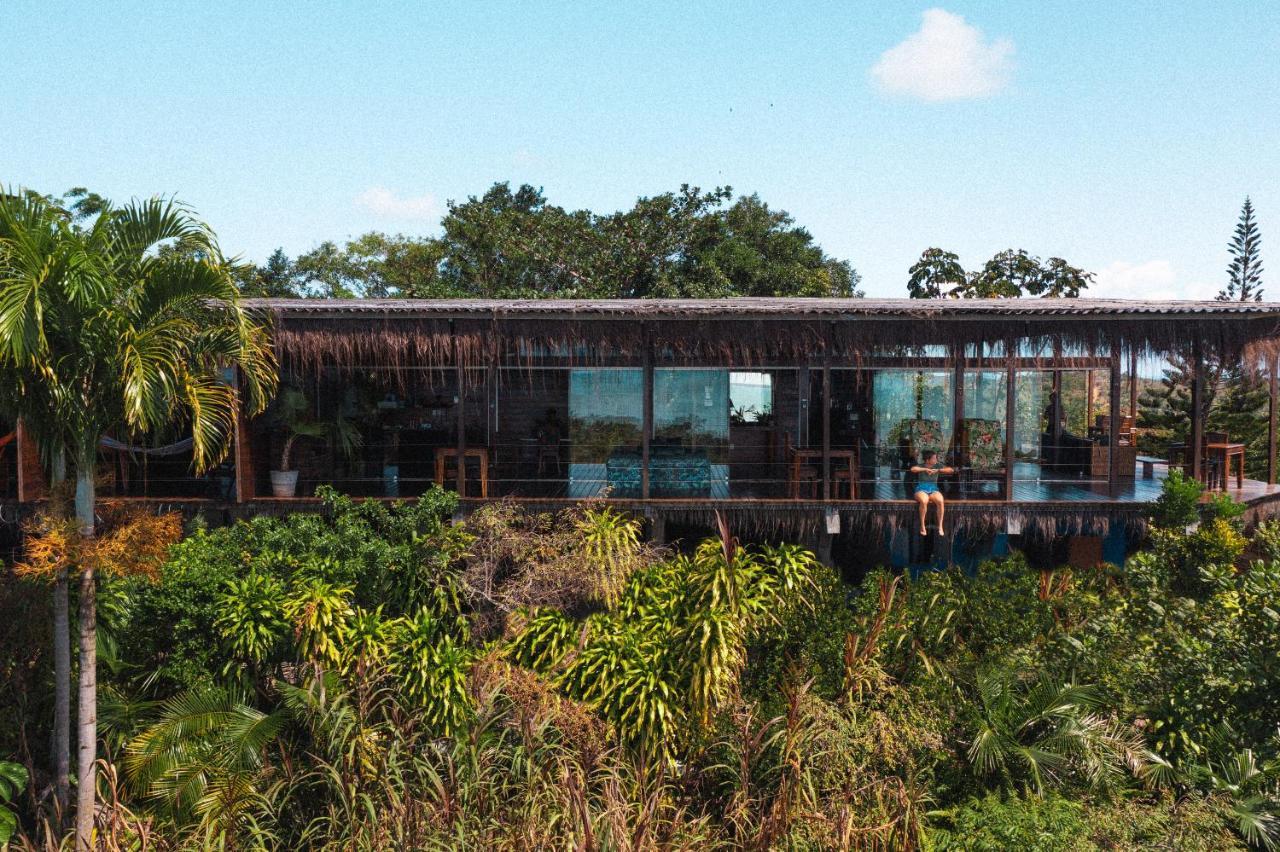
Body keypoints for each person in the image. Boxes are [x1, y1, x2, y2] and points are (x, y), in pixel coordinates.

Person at [911, 450, 954, 536]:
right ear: (927, 460)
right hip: (921, 489)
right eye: (934, 458)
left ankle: (940, 526)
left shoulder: (937, 465)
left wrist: (938, 470)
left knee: (940, 501)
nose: (936, 460)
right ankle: (922, 526)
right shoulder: (921, 466)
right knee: (924, 501)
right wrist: (925, 469)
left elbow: (951, 470)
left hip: (933, 489)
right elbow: (913, 469)